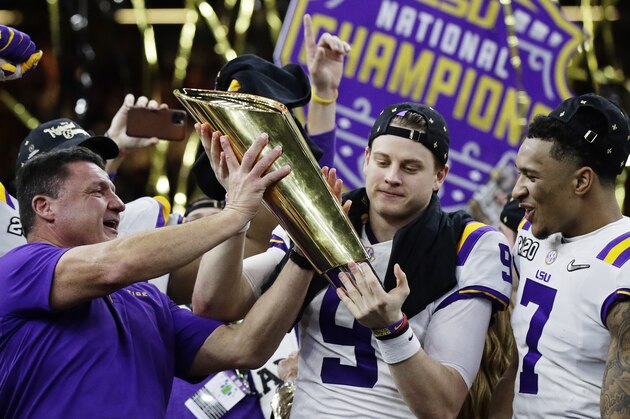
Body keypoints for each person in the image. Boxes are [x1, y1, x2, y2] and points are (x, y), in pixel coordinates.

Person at [194, 102, 513, 418]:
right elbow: (213, 304)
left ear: (439, 176)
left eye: (410, 168)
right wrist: (235, 213)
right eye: (382, 161)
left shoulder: (467, 243)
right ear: (366, 159)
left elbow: (442, 407)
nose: (391, 176)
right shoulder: (321, 214)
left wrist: (392, 329)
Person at [0, 133, 317, 417]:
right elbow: (117, 263)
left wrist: (303, 256)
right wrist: (234, 214)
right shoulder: (20, 269)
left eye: (115, 191)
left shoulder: (147, 300)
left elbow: (246, 347)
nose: (120, 204)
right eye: (98, 192)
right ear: (45, 207)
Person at [489, 93, 630, 418]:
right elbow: (517, 362)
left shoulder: (621, 267)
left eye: (532, 176)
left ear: (581, 181)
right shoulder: (532, 232)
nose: (517, 190)